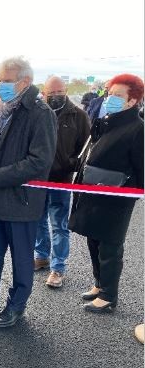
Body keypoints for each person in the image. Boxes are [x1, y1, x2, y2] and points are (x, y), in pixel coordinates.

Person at [0, 57, 57, 327]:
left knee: (21, 260)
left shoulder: (40, 113)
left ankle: (16, 305)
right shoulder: (4, 109)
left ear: (24, 82)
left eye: (5, 80)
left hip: (20, 201)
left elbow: (39, 161)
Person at [69, 74, 143, 313]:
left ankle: (109, 296)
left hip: (116, 198)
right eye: (109, 94)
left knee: (110, 246)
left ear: (132, 101)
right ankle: (100, 284)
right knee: (94, 240)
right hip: (93, 191)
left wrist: (128, 193)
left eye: (118, 95)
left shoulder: (138, 128)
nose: (110, 99)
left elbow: (142, 170)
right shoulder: (106, 122)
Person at [34, 76, 90, 288]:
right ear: (44, 92)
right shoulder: (37, 113)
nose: (55, 96)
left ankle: (58, 268)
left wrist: (71, 164)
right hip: (38, 180)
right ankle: (41, 256)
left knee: (59, 224)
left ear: (66, 91)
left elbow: (86, 148)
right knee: (38, 220)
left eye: (60, 92)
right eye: (51, 93)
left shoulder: (79, 116)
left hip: (61, 180)